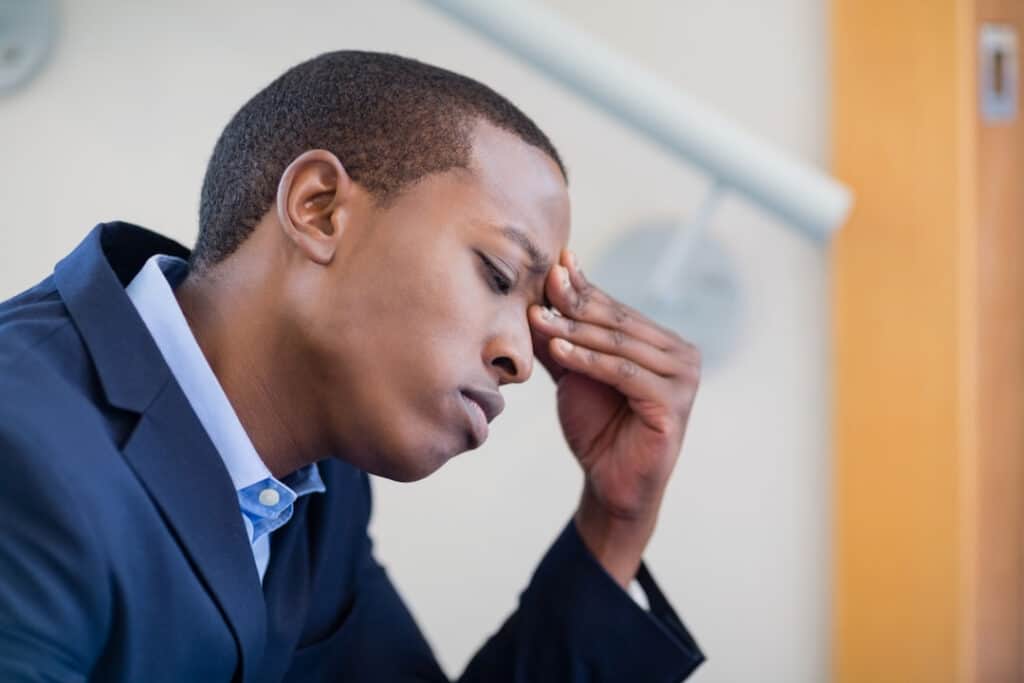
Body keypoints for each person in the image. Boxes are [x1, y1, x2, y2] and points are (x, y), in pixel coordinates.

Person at [0, 50, 704, 682]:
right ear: (320, 208)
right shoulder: (23, 449)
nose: (521, 357)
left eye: (535, 310)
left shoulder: (319, 491)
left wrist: (615, 521)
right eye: (496, 274)